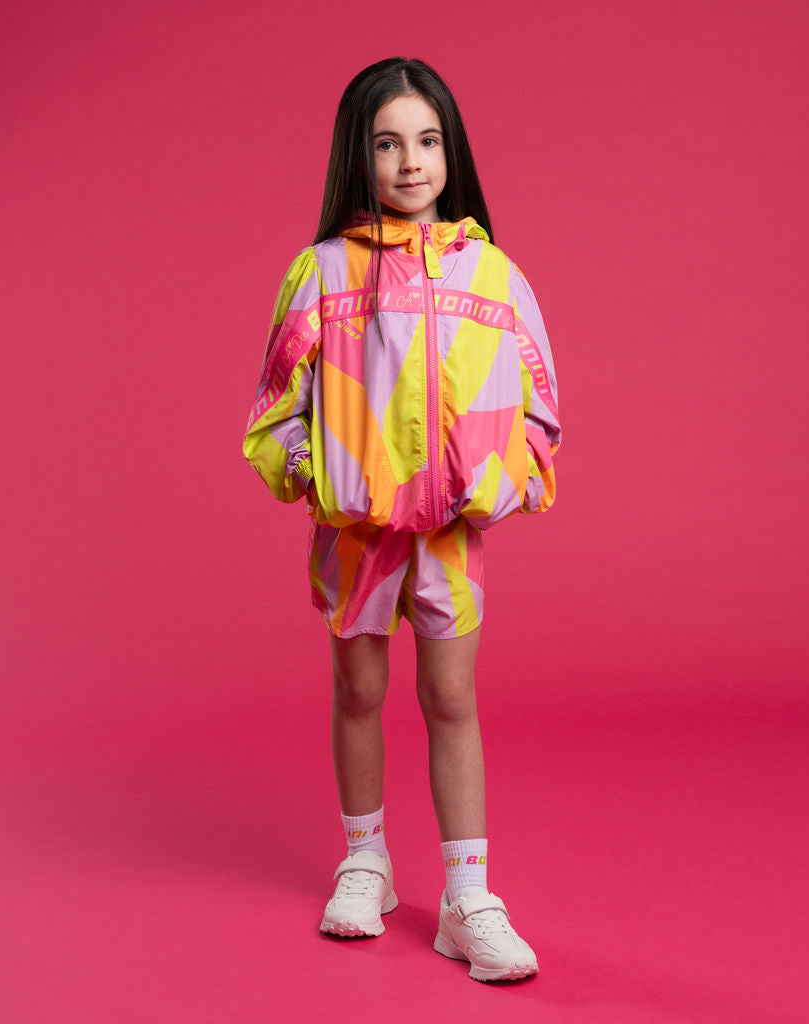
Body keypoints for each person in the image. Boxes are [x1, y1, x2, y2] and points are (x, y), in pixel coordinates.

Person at [243, 57, 560, 982]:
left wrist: (506, 478)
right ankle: (366, 861)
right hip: (358, 538)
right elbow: (273, 409)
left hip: (449, 541)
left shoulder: (495, 277)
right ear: (359, 154)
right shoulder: (322, 273)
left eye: (428, 142)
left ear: (450, 153)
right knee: (358, 691)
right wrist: (321, 477)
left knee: (453, 699)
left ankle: (469, 897)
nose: (411, 162)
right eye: (389, 143)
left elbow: (541, 405)